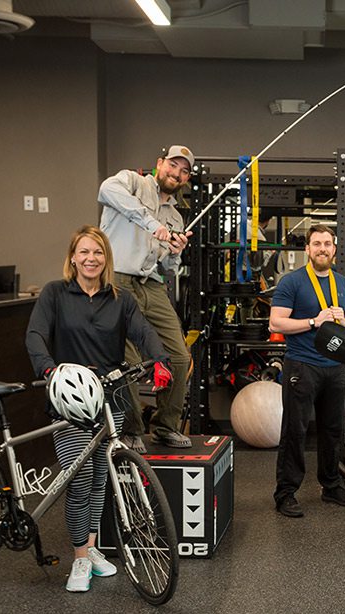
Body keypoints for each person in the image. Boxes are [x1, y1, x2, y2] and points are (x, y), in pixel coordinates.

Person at [26, 226, 171, 593]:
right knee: (79, 480)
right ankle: (79, 557)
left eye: (99, 253)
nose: (91, 259)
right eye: (85, 252)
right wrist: (48, 368)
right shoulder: (55, 294)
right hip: (70, 399)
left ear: (107, 259)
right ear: (73, 257)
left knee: (99, 478)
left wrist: (160, 360)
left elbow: (143, 331)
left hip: (111, 399)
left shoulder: (121, 299)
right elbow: (35, 335)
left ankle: (90, 550)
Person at [97, 144, 195, 452]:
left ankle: (166, 427)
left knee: (179, 356)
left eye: (184, 171)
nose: (176, 173)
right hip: (117, 279)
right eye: (173, 165)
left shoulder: (177, 218)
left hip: (151, 284)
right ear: (160, 163)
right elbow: (105, 189)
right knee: (130, 359)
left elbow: (166, 266)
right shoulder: (131, 182)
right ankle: (131, 429)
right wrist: (152, 224)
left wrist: (176, 254)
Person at [269, 224, 345, 517]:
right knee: (295, 431)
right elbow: (276, 323)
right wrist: (314, 321)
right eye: (317, 244)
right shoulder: (293, 282)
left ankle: (332, 485)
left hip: (335, 366)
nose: (323, 248)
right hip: (302, 363)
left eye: (327, 243)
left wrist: (342, 322)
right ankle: (285, 493)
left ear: (334, 249)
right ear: (307, 249)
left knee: (334, 430)